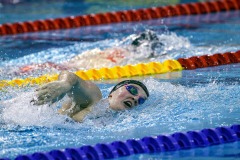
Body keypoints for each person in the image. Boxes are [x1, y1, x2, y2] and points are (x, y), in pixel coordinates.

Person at [20, 30, 163, 73]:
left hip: (82, 60)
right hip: (88, 67)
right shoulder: (138, 58)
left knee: (53, 65)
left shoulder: (118, 48)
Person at [31, 71, 149, 122]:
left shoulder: (115, 121)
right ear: (112, 93)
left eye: (141, 100)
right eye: (132, 90)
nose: (136, 98)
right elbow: (72, 77)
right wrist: (64, 84)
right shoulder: (95, 98)